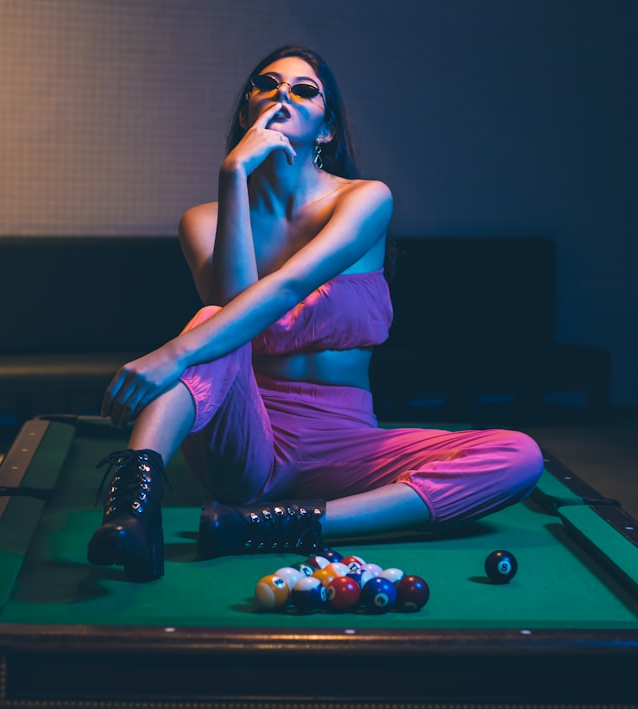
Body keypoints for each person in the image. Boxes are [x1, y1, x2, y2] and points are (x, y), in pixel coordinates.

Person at [89, 45, 544, 581]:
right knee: (215, 317)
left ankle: (280, 525)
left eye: (304, 89)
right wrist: (234, 173)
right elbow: (237, 311)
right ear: (245, 112)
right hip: (246, 439)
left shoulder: (366, 199)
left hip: (347, 444)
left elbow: (288, 287)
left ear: (326, 129)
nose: (283, 94)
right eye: (267, 84)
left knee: (518, 455)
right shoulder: (201, 219)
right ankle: (131, 514)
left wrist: (168, 356)